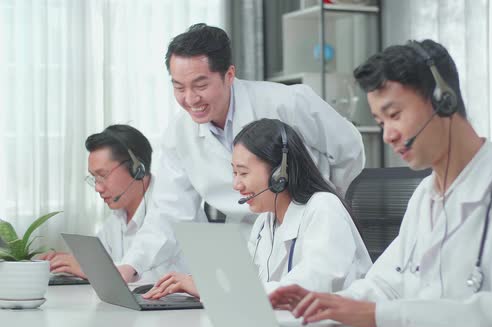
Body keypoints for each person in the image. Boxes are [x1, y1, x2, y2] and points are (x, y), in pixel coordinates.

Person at [268, 39, 492, 327]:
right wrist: (320, 306)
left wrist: (377, 316)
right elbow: (383, 287)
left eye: (394, 115)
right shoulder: (425, 197)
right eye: (381, 122)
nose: (388, 136)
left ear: (443, 100)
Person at [115, 23, 365, 282]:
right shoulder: (179, 133)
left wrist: (320, 201)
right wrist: (131, 265)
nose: (190, 99)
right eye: (179, 87)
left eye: (200, 85)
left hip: (309, 229)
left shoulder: (285, 102)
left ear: (229, 74)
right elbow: (170, 210)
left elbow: (349, 147)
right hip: (252, 239)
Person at [142, 119, 372, 300]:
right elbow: (247, 285)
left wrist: (215, 290)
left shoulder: (323, 208)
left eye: (243, 173)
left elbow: (313, 285)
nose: (236, 185)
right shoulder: (265, 222)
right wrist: (205, 284)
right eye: (234, 172)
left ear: (279, 173)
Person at [39, 125, 171, 283]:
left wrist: (91, 270)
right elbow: (102, 262)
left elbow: (149, 279)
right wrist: (68, 262)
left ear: (137, 169)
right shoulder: (117, 218)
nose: (97, 188)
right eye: (94, 178)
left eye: (102, 176)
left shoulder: (170, 208)